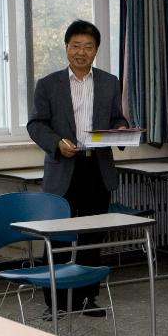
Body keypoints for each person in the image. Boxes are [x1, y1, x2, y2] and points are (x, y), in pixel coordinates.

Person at [25, 20, 128, 318]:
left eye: (88, 47)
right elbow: (36, 124)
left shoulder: (109, 82)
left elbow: (116, 118)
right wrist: (57, 143)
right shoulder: (48, 84)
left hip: (97, 168)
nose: (81, 52)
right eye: (75, 46)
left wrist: (121, 129)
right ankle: (54, 303)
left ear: (96, 50)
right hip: (63, 168)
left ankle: (88, 299)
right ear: (66, 47)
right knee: (56, 237)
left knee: (92, 238)